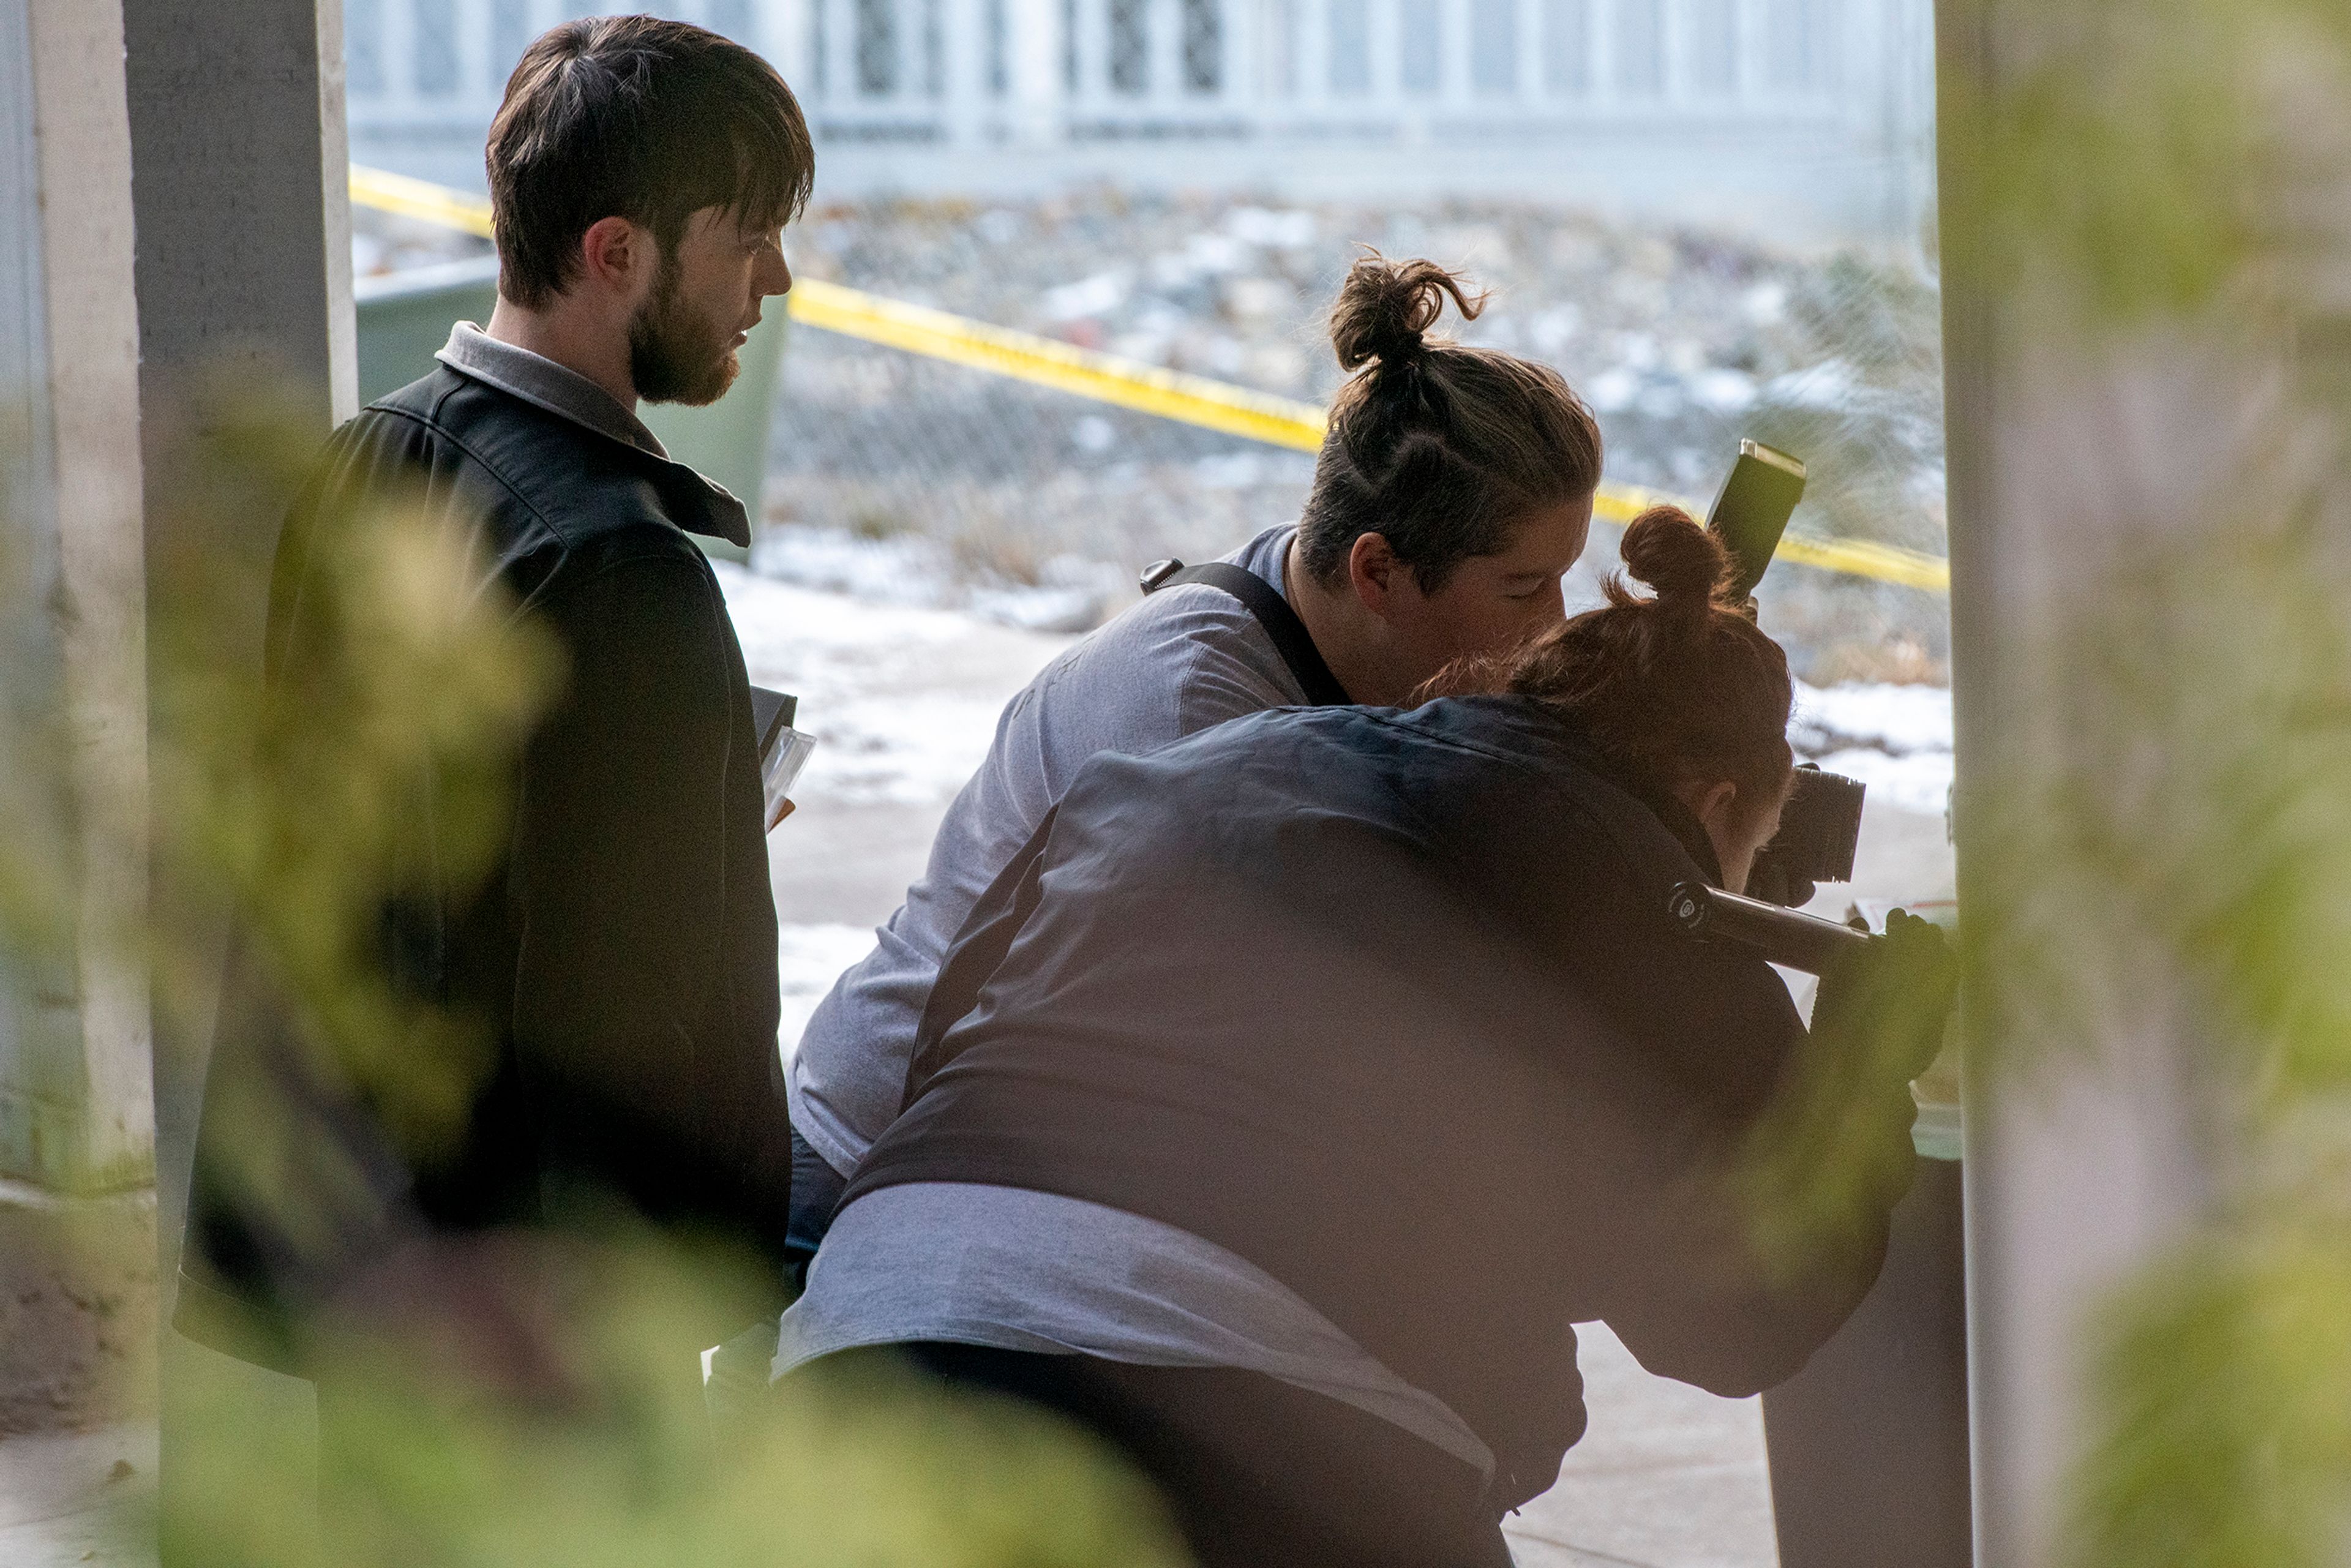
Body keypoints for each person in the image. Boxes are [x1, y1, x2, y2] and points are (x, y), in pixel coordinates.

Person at [777, 508, 1952, 1567]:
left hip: (872, 1332)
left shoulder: (1211, 760)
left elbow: (953, 1030)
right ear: (1714, 804)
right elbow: (1733, 1320)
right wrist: (1855, 1069)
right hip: (1241, 1426)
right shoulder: (1655, 897)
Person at [176, 17, 812, 1375]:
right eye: (747, 233)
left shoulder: (366, 462)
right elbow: (611, 1048)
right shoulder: (625, 573)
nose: (779, 278)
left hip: (347, 1267)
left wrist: (684, 826)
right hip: (534, 1339)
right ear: (617, 251)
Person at [786, 255, 1608, 1262]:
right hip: (870, 1173)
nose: (1557, 623)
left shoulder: (1326, 609)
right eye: (1526, 587)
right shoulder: (1192, 717)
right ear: (1380, 570)